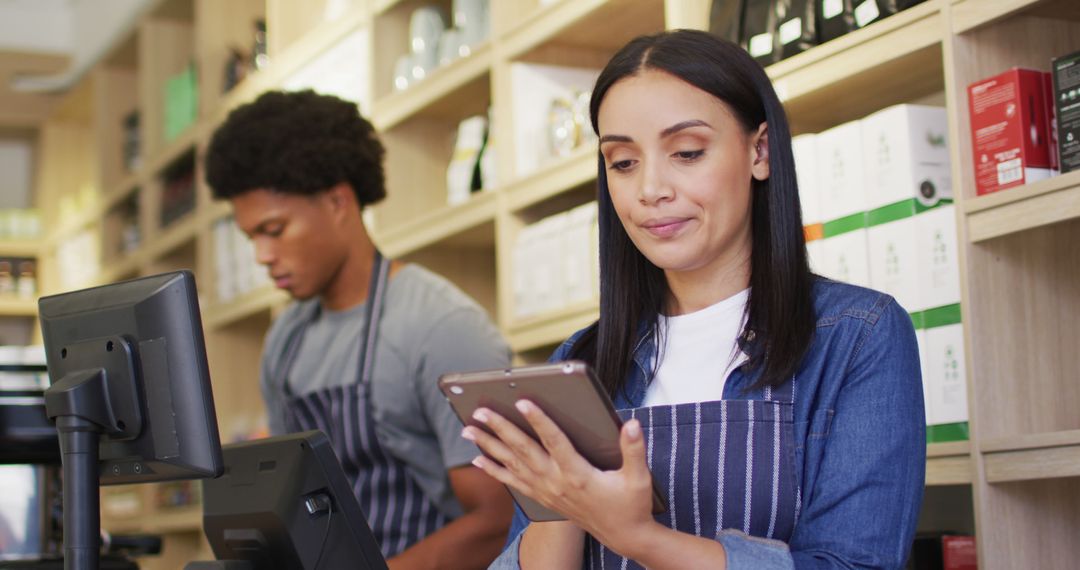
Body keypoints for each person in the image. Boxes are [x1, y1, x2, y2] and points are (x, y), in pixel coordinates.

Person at [469, 30, 925, 569]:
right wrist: (563, 503)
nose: (650, 189)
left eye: (686, 152)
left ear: (759, 152)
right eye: (622, 162)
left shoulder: (857, 336)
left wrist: (638, 536)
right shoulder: (582, 363)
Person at [204, 90, 514, 569]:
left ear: (337, 202)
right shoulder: (285, 343)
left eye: (275, 229)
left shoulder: (440, 326)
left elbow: (495, 519)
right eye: (252, 238)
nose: (262, 256)